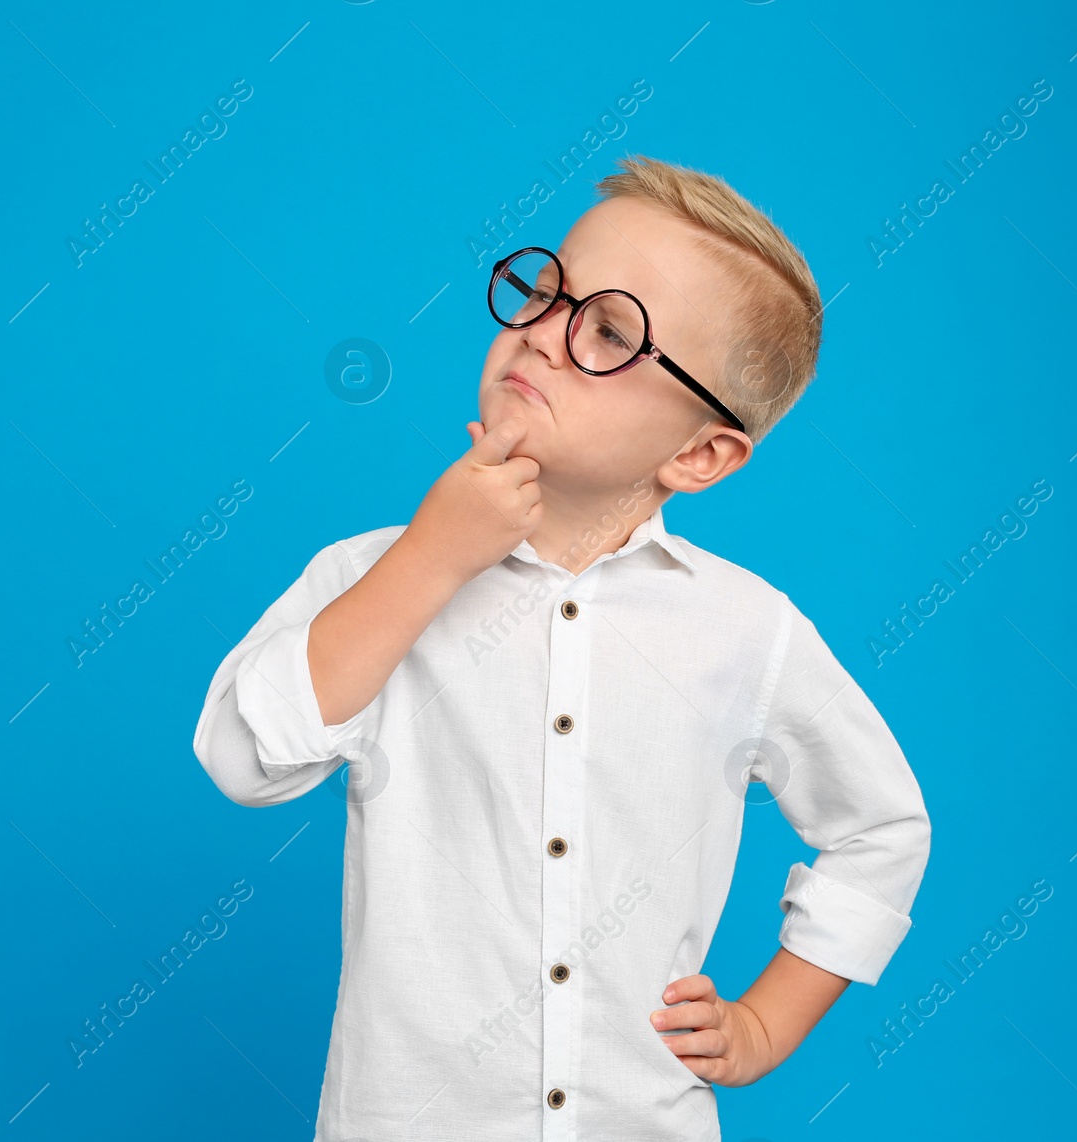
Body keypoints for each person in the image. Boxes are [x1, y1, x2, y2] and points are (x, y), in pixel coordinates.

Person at [192, 153, 931, 1141]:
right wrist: (429, 562)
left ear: (698, 453)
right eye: (546, 292)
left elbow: (880, 828)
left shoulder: (746, 631)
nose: (544, 334)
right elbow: (243, 758)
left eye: (612, 330)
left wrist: (765, 1022)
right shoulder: (374, 573)